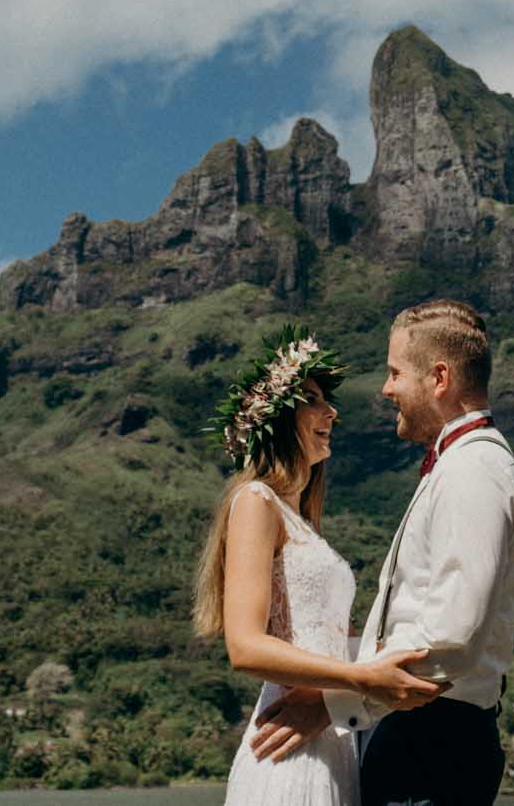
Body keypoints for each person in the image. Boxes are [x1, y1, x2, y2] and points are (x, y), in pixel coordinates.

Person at [251, 299, 514, 806]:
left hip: (433, 747)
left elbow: (451, 640)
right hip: (419, 737)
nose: (386, 389)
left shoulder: (473, 472)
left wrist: (334, 702)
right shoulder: (460, 466)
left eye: (395, 372)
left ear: (439, 378)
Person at [193, 324, 444, 806]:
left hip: (333, 735)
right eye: (311, 398)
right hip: (288, 741)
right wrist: (361, 680)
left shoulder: (301, 522)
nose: (331, 411)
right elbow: (245, 646)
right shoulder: (255, 501)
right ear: (277, 418)